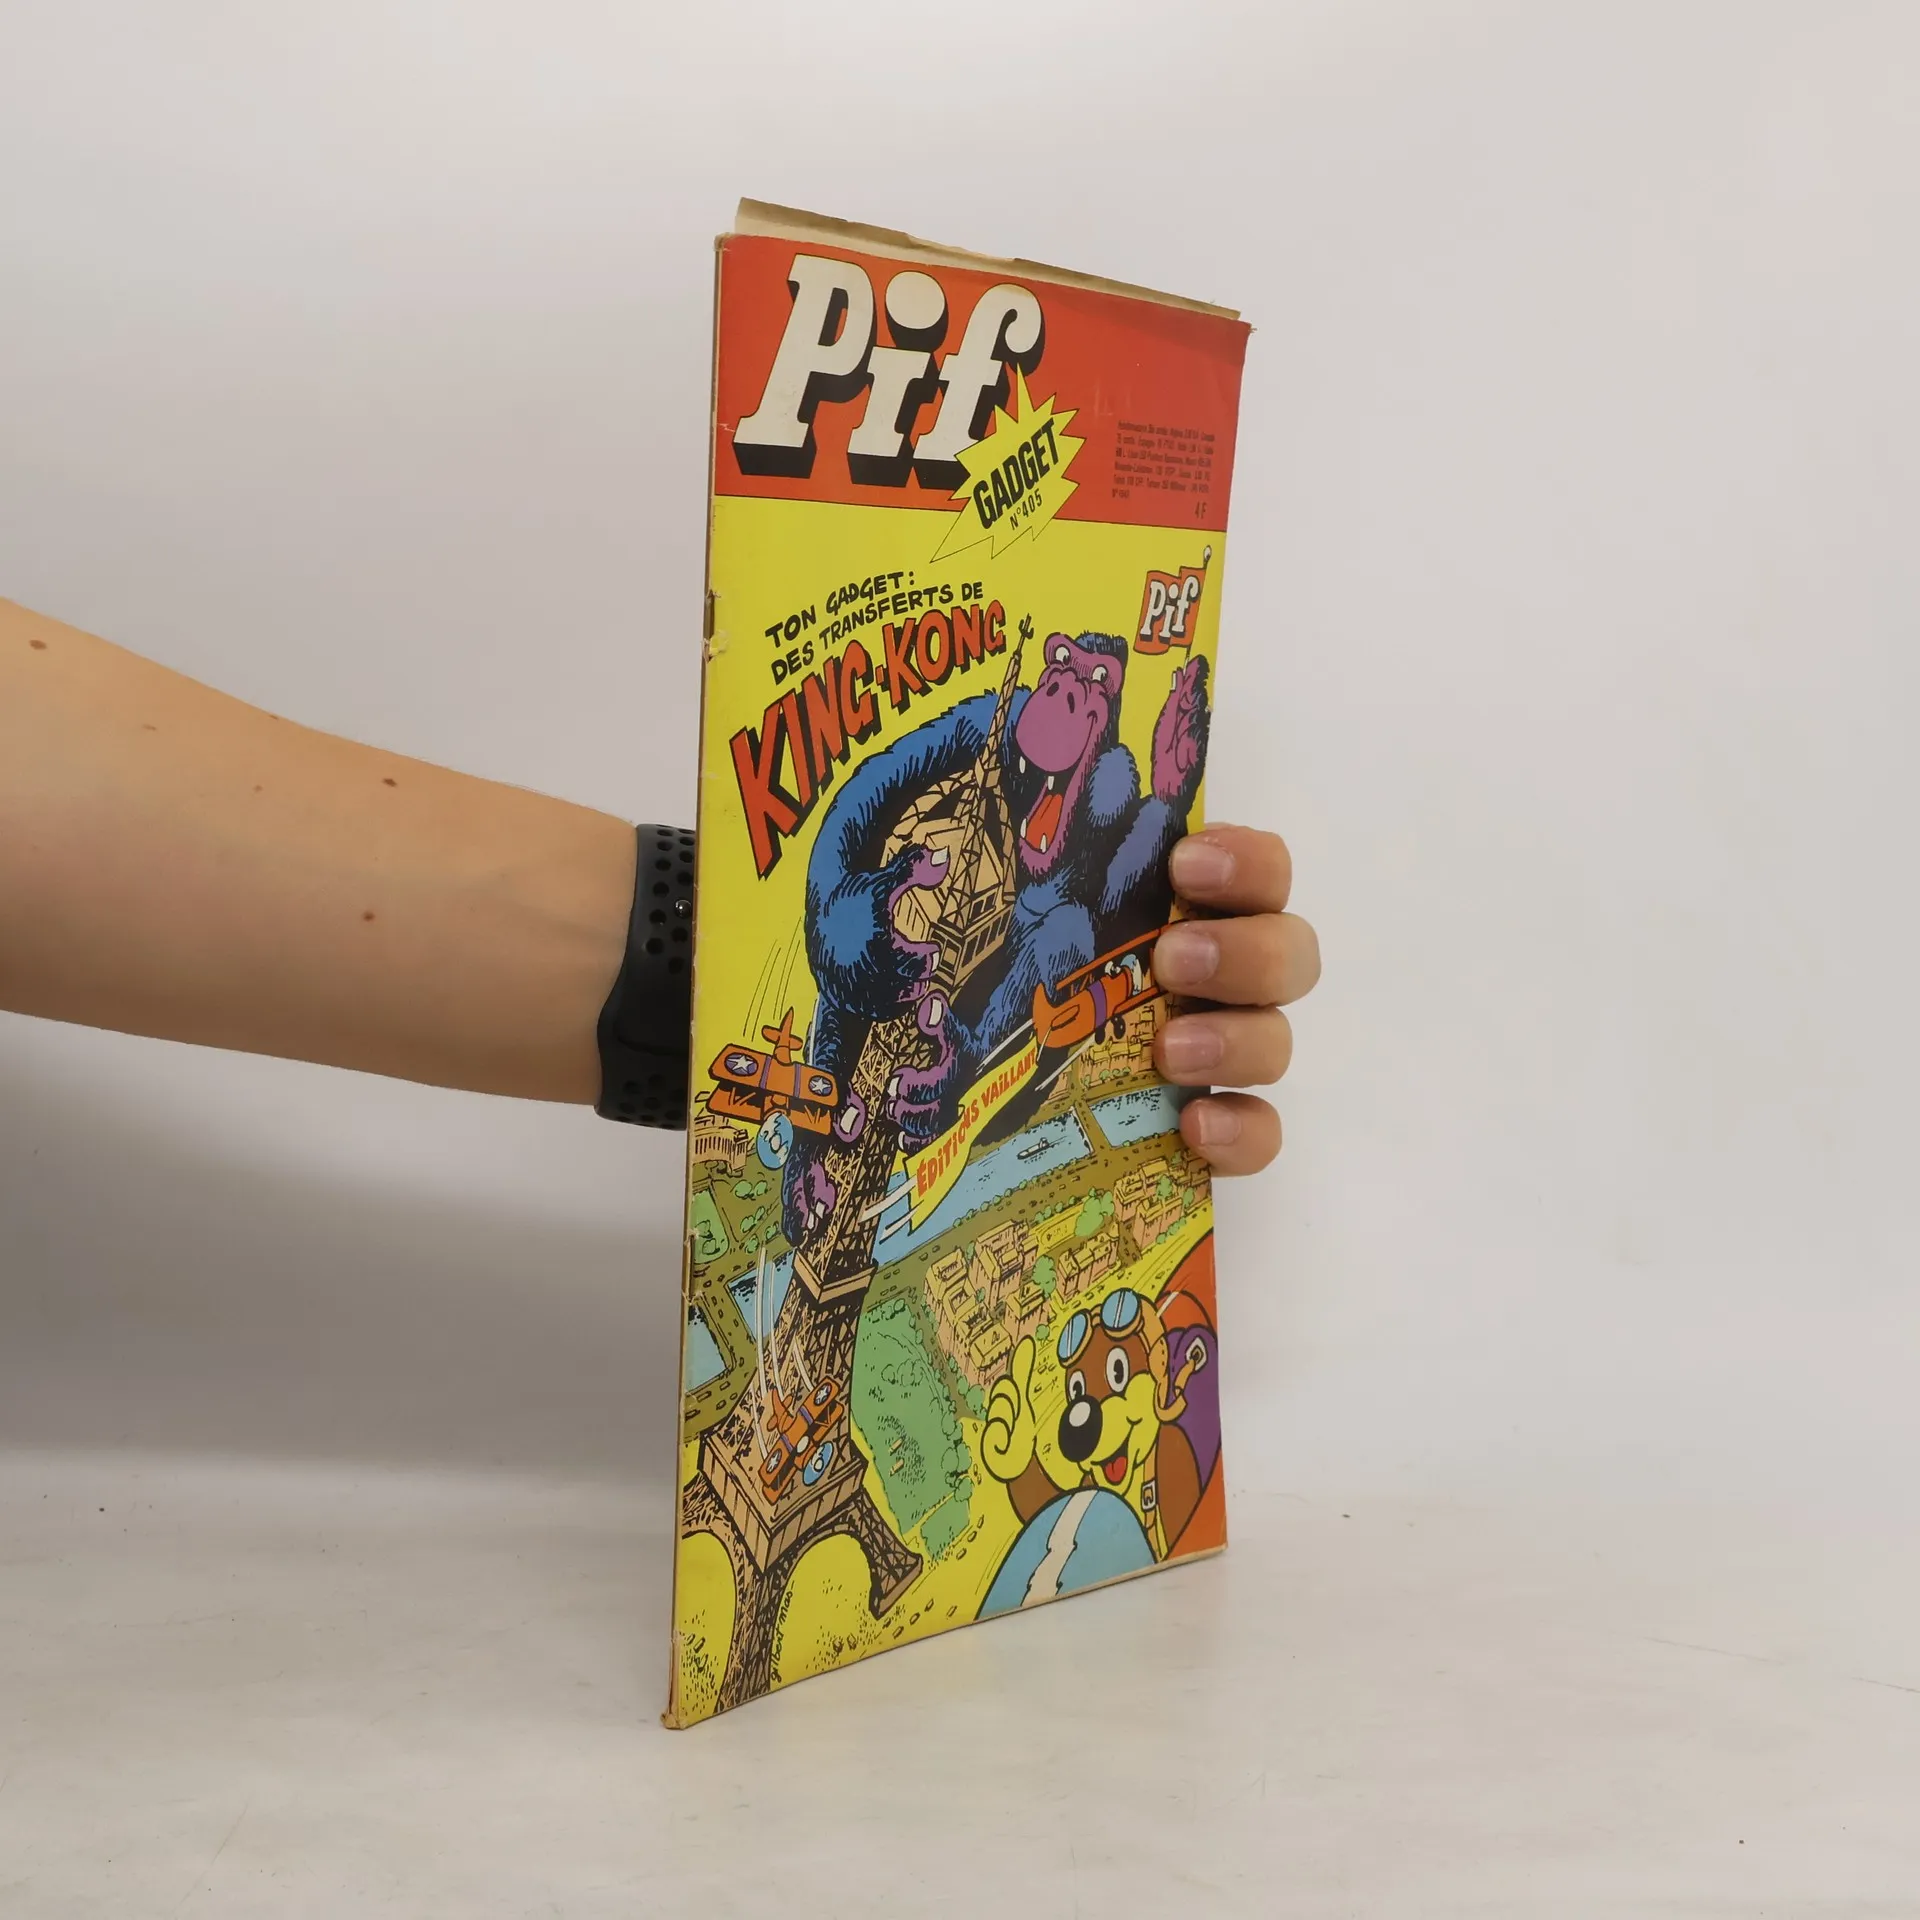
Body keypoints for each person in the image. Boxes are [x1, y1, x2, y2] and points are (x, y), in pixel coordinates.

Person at [0, 595, 1320, 1171]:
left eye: (1095, 690)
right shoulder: (952, 788)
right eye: (1062, 681)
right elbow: (857, 831)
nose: (1074, 703)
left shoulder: (1084, 816)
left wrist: (1145, 937)